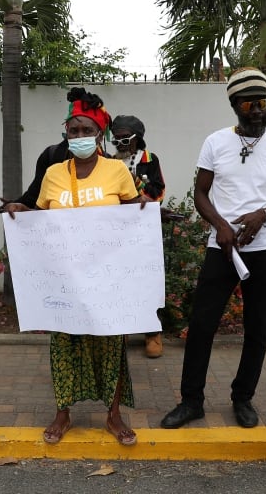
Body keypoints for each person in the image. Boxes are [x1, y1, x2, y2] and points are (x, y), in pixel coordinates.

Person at [3, 89, 149, 446]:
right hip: (64, 280)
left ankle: (113, 416)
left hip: (107, 280)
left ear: (99, 134)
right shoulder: (53, 173)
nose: (79, 137)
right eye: (73, 131)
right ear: (65, 134)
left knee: (111, 346)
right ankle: (62, 413)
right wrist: (23, 211)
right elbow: (42, 216)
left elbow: (131, 213)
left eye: (86, 130)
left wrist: (143, 205)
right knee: (64, 346)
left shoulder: (116, 171)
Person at [161, 67, 266, 430]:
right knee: (202, 324)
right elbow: (201, 193)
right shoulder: (215, 142)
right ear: (236, 105)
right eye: (250, 103)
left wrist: (263, 215)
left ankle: (243, 398)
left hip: (264, 249)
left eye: (263, 102)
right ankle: (191, 401)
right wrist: (220, 225)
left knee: (257, 329)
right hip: (221, 248)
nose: (258, 110)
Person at [111, 114, 166, 358]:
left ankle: (152, 332)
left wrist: (136, 183)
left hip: (144, 231)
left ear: (137, 139)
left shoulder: (150, 160)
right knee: (118, 280)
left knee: (146, 280)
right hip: (116, 231)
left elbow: (159, 191)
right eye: (117, 138)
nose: (121, 142)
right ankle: (120, 330)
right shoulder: (109, 162)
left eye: (125, 138)